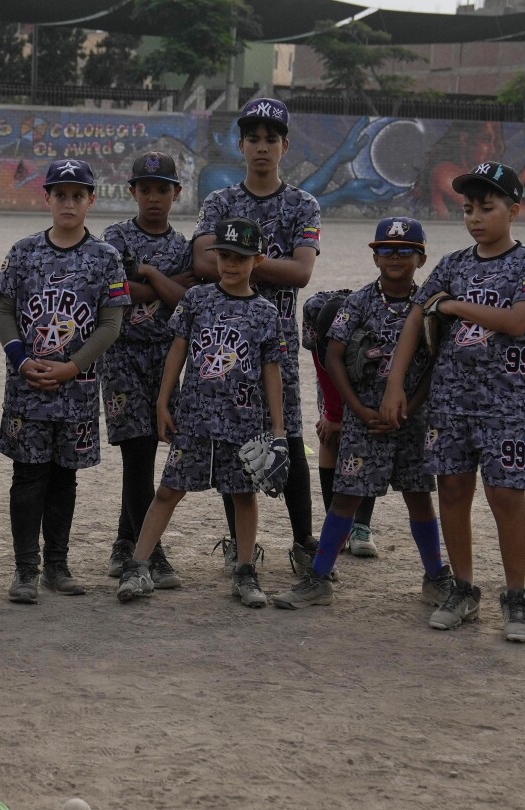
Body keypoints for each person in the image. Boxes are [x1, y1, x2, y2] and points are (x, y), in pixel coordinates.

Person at [381, 162, 525, 643]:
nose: (475, 217)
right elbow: (416, 318)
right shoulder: (452, 264)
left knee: (506, 497)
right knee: (452, 492)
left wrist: (452, 306)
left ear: (514, 210)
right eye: (469, 208)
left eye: (487, 207)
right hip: (450, 402)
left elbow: (517, 321)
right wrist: (395, 384)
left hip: (504, 403)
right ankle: (464, 589)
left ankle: (516, 597)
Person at [274, 217, 453, 609]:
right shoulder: (357, 303)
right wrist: (356, 409)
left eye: (405, 251)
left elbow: (435, 363)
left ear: (421, 259)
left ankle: (436, 578)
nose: (394, 258)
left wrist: (413, 406)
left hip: (411, 423)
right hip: (363, 423)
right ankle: (319, 578)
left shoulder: (430, 308)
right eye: (386, 250)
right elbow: (333, 356)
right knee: (345, 498)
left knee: (419, 497)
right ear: (375, 258)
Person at [116, 217, 286, 608]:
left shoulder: (264, 313)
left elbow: (271, 371)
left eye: (240, 258)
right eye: (224, 255)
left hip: (242, 423)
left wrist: (277, 428)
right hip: (194, 417)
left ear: (257, 260)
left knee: (243, 495)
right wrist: (163, 399)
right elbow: (178, 349)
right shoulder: (198, 299)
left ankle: (245, 571)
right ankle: (138, 566)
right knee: (168, 490)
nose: (230, 264)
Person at [192, 98, 320, 576]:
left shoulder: (301, 204)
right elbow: (203, 262)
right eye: (253, 138)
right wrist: (267, 264)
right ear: (240, 145)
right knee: (235, 441)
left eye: (272, 139)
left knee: (286, 435)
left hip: (278, 340)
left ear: (285, 146)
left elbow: (303, 273)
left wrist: (242, 259)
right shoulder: (221, 202)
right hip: (227, 344)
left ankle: (304, 542)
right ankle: (239, 543)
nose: (262, 147)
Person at [0, 158, 128, 604]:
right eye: (60, 194)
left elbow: (111, 323)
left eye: (77, 195)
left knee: (64, 478)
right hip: (28, 385)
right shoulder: (24, 251)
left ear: (91, 200)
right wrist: (21, 358)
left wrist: (73, 366)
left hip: (76, 389)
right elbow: (5, 311)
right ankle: (25, 570)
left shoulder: (106, 258)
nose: (68, 203)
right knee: (29, 476)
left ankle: (57, 564)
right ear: (46, 198)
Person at [99, 151, 193, 586]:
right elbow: (116, 290)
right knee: (137, 452)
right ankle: (149, 553)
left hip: (166, 360)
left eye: (162, 189)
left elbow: (184, 302)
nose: (154, 198)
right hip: (122, 358)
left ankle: (125, 544)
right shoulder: (114, 238)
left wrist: (151, 275)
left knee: (149, 452)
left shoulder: (185, 246)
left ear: (176, 193)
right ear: (132, 191)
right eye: (145, 189)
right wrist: (166, 284)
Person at [300, 291, 377, 559]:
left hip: (370, 371)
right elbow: (324, 365)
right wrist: (333, 416)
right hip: (332, 381)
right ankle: (335, 524)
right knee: (329, 436)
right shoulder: (314, 311)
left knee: (368, 438)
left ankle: (361, 527)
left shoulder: (374, 319)